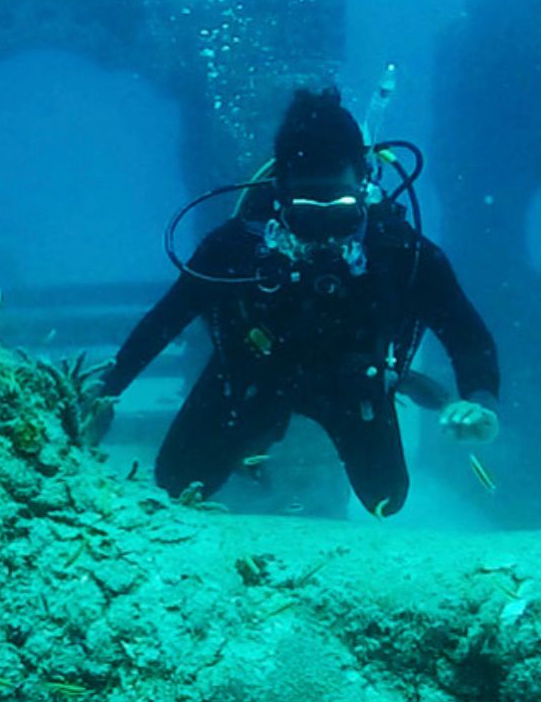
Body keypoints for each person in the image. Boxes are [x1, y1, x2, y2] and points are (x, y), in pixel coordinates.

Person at [98, 86, 500, 514]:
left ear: (364, 184)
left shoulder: (401, 251)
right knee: (177, 482)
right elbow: (165, 320)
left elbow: (466, 334)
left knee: (387, 498)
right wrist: (104, 393)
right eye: (307, 214)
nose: (326, 234)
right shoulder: (236, 247)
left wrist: (481, 402)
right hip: (250, 379)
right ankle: (250, 455)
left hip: (353, 388)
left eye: (341, 209)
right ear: (280, 193)